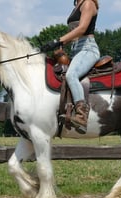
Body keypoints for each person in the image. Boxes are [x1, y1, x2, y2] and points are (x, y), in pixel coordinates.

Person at [41, 0, 100, 134]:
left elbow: (82, 29)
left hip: (87, 49)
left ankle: (82, 115)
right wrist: (56, 45)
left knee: (71, 75)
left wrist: (59, 40)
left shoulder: (88, 3)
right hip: (75, 50)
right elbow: (73, 34)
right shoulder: (77, 5)